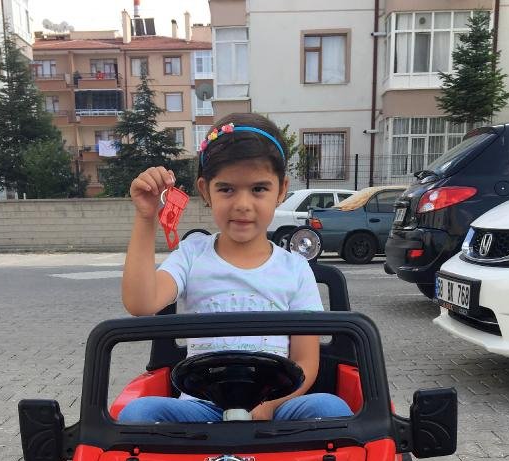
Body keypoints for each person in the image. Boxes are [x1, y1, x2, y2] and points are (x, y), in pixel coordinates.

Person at [119, 112, 352, 423]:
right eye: (227, 189)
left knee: (330, 409)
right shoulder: (191, 255)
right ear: (205, 190)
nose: (243, 204)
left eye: (258, 189)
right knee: (138, 413)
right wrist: (146, 216)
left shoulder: (295, 269)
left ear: (281, 190)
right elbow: (140, 303)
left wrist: (270, 407)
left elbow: (305, 361)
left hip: (274, 407)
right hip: (201, 408)